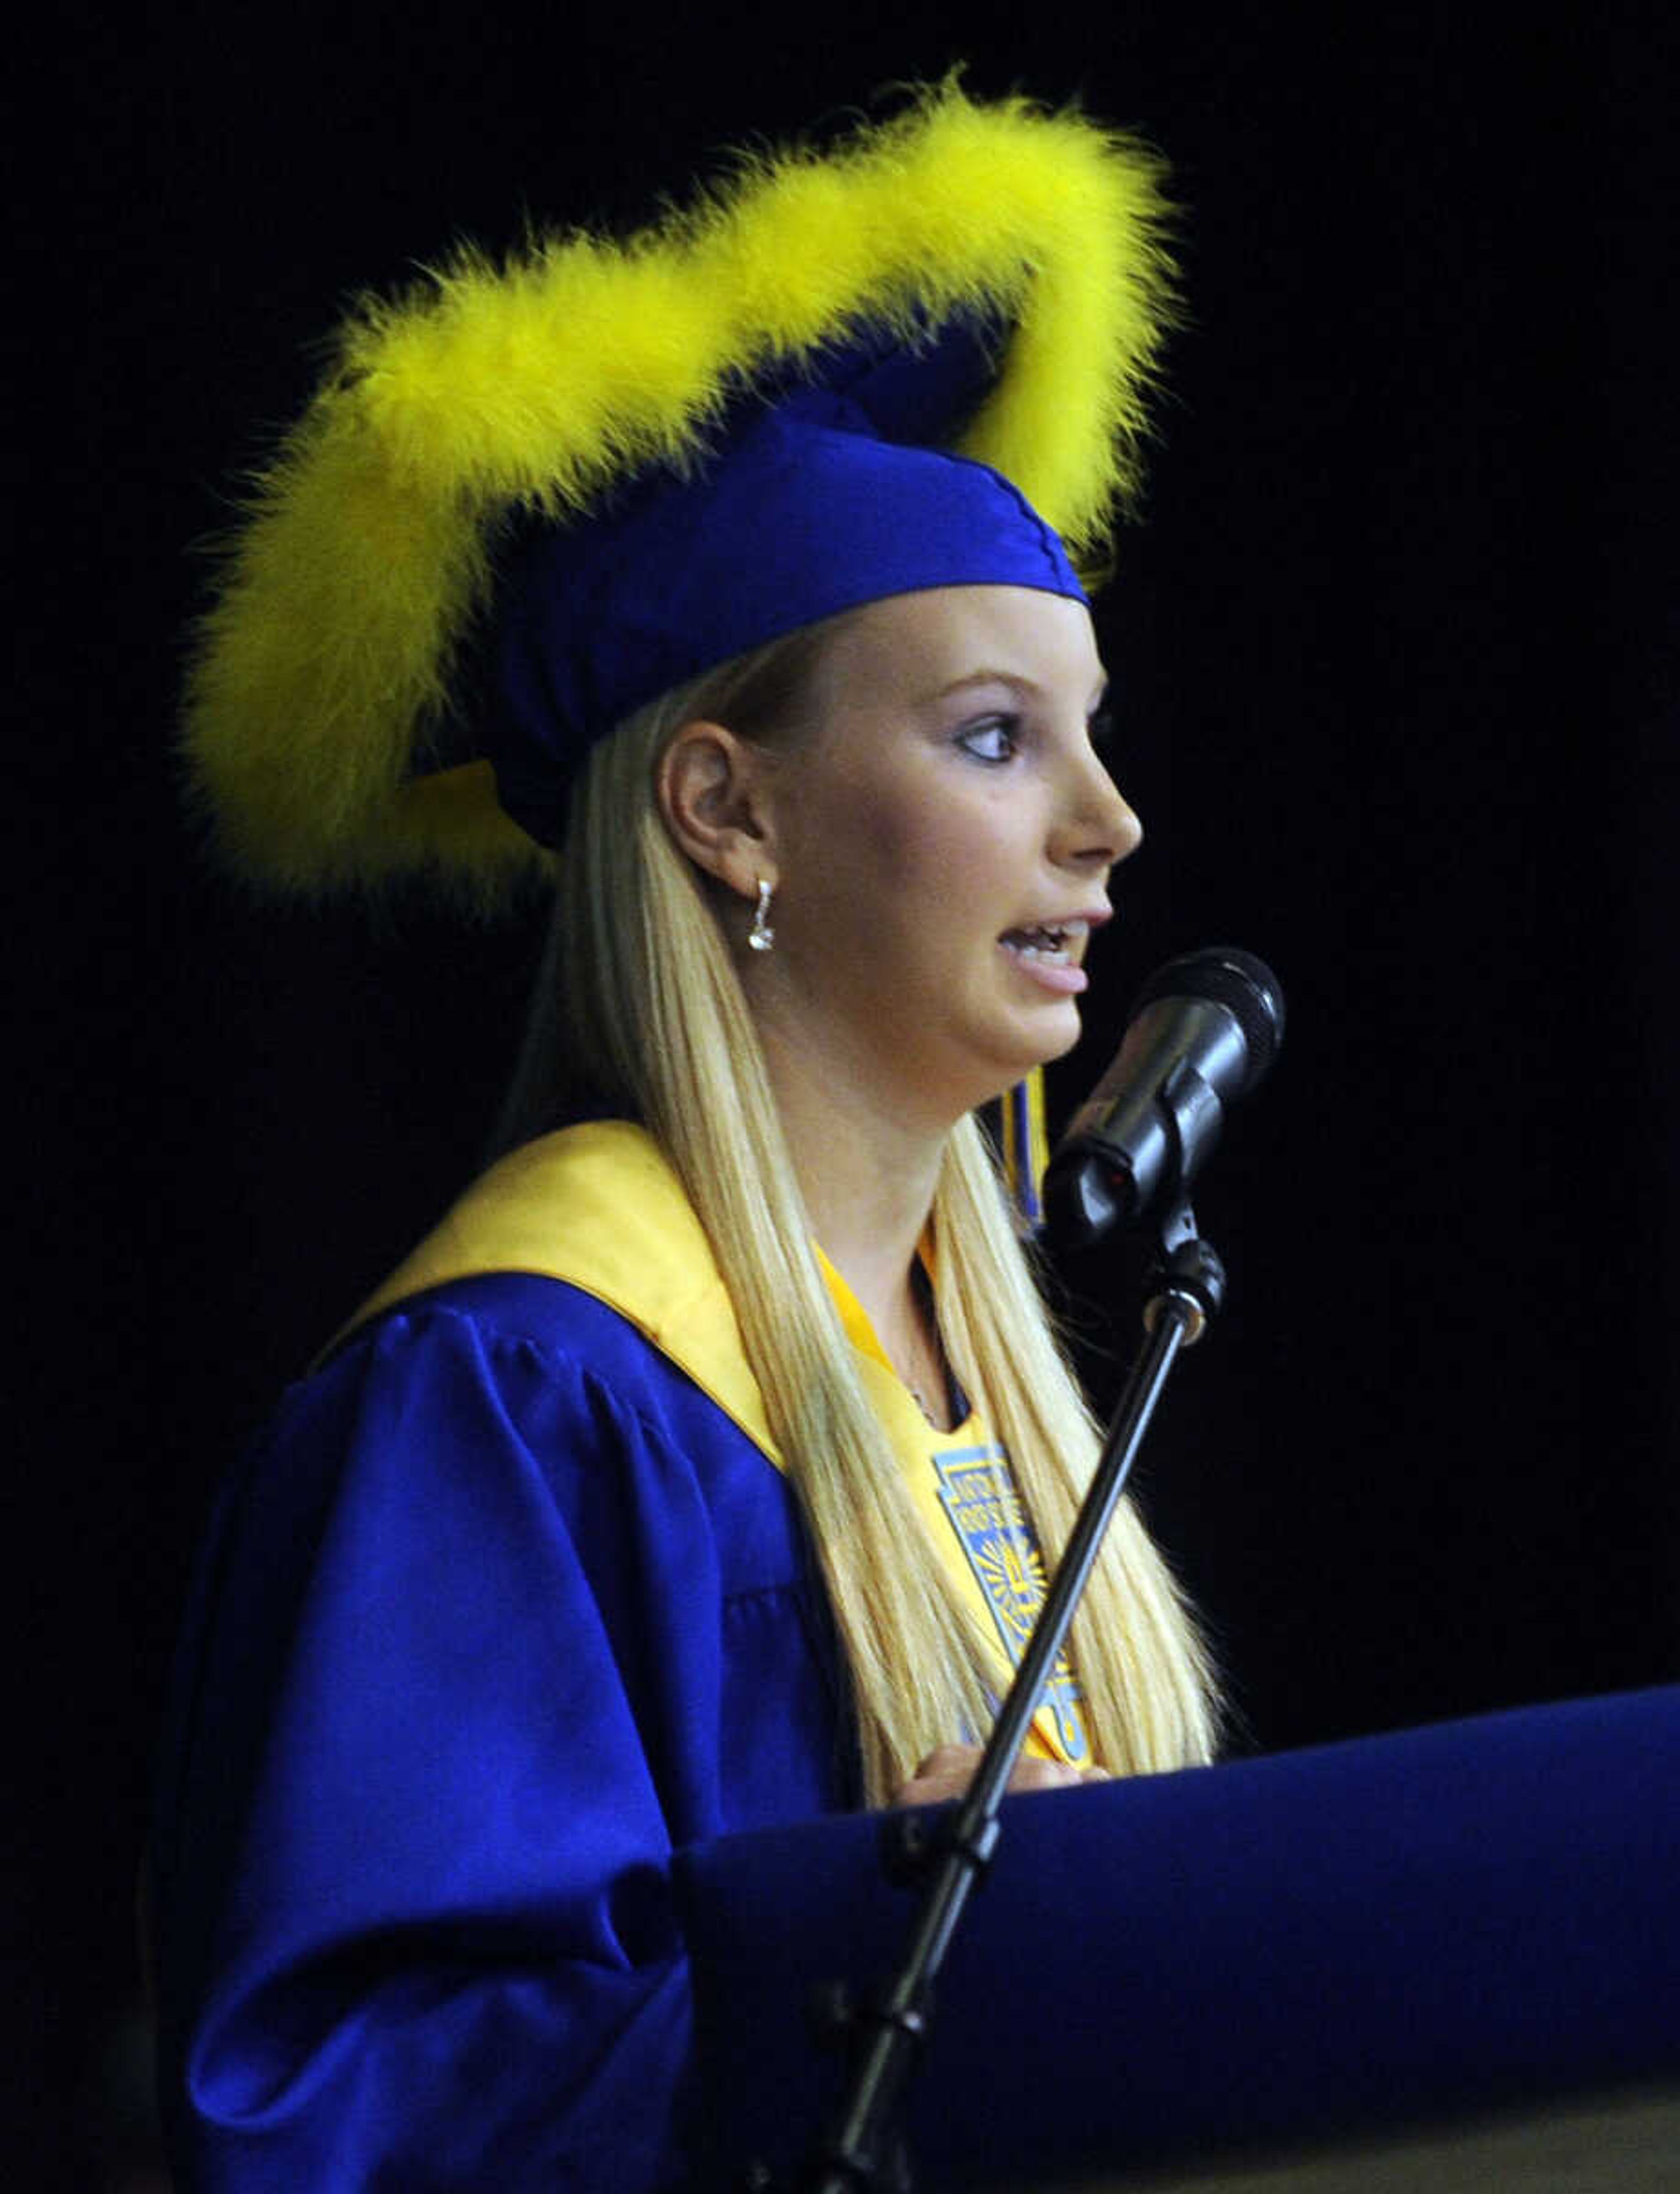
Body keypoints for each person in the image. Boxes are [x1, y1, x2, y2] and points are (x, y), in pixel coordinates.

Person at [150, 80, 1218, 2190]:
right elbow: (365, 2111)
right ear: (726, 809)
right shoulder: (527, 1388)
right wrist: (877, 1972)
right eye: (997, 739)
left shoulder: (977, 1367)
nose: (1109, 826)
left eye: (1088, 741)